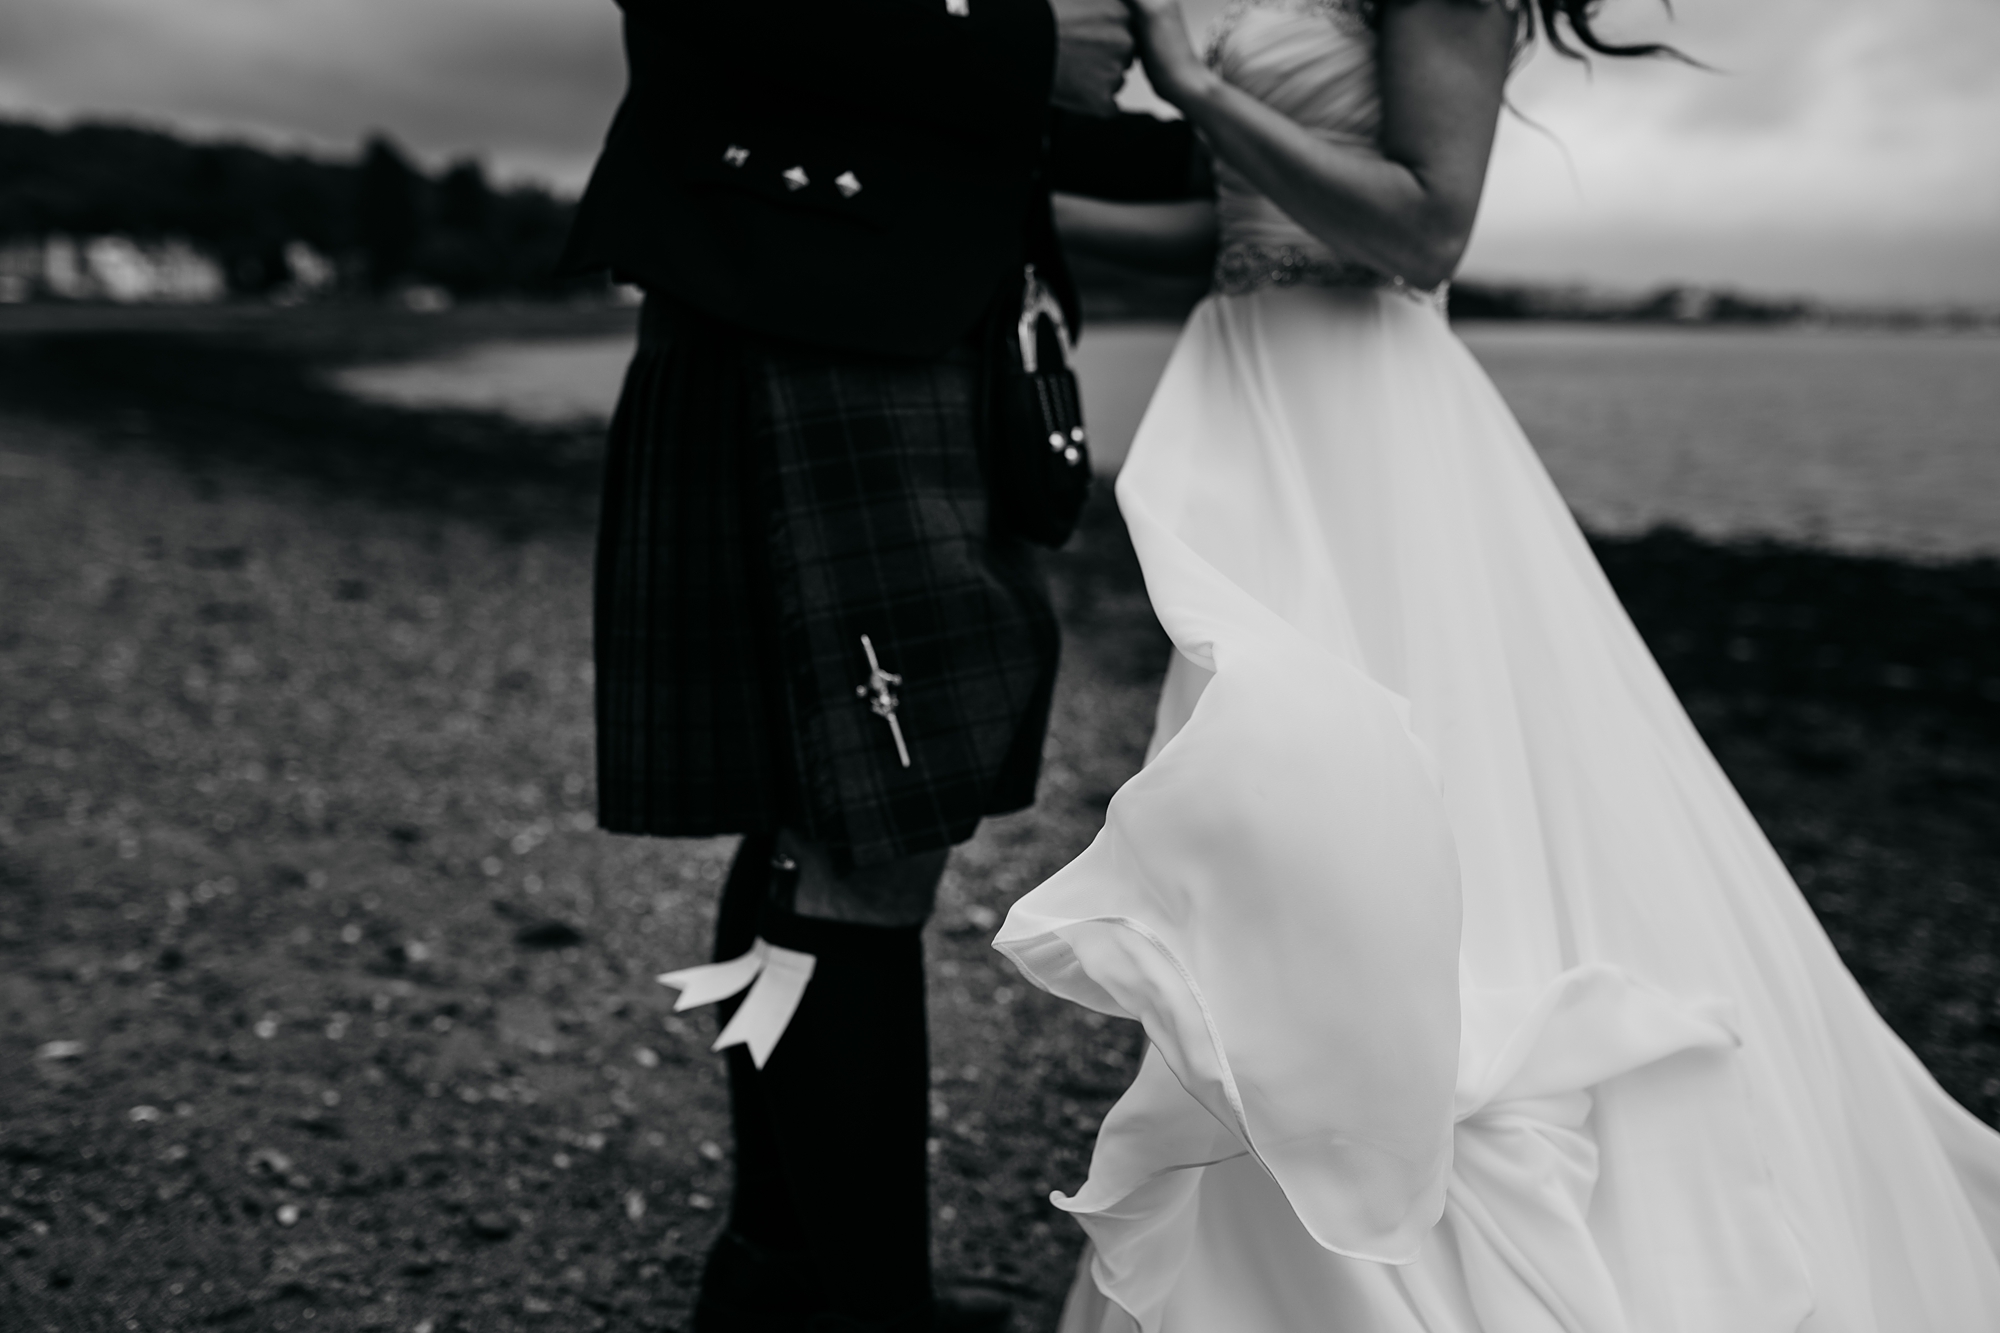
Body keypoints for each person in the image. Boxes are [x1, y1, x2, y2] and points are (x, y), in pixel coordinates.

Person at [993, 0, 2000, 1328]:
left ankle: (1402, 1194)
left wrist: (1190, 81)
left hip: (1372, 418)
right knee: (1281, 816)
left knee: (1430, 821)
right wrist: (997, 202)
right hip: (1253, 397)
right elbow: (1243, 220)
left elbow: (1426, 224)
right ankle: (1300, 1176)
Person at [557, 3, 1206, 1331]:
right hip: (815, 304)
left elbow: (931, 94)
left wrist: (1231, 141)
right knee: (872, 823)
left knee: (822, 813)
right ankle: (861, 1309)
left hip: (866, 294)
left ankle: (786, 1277)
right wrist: (1032, 46)